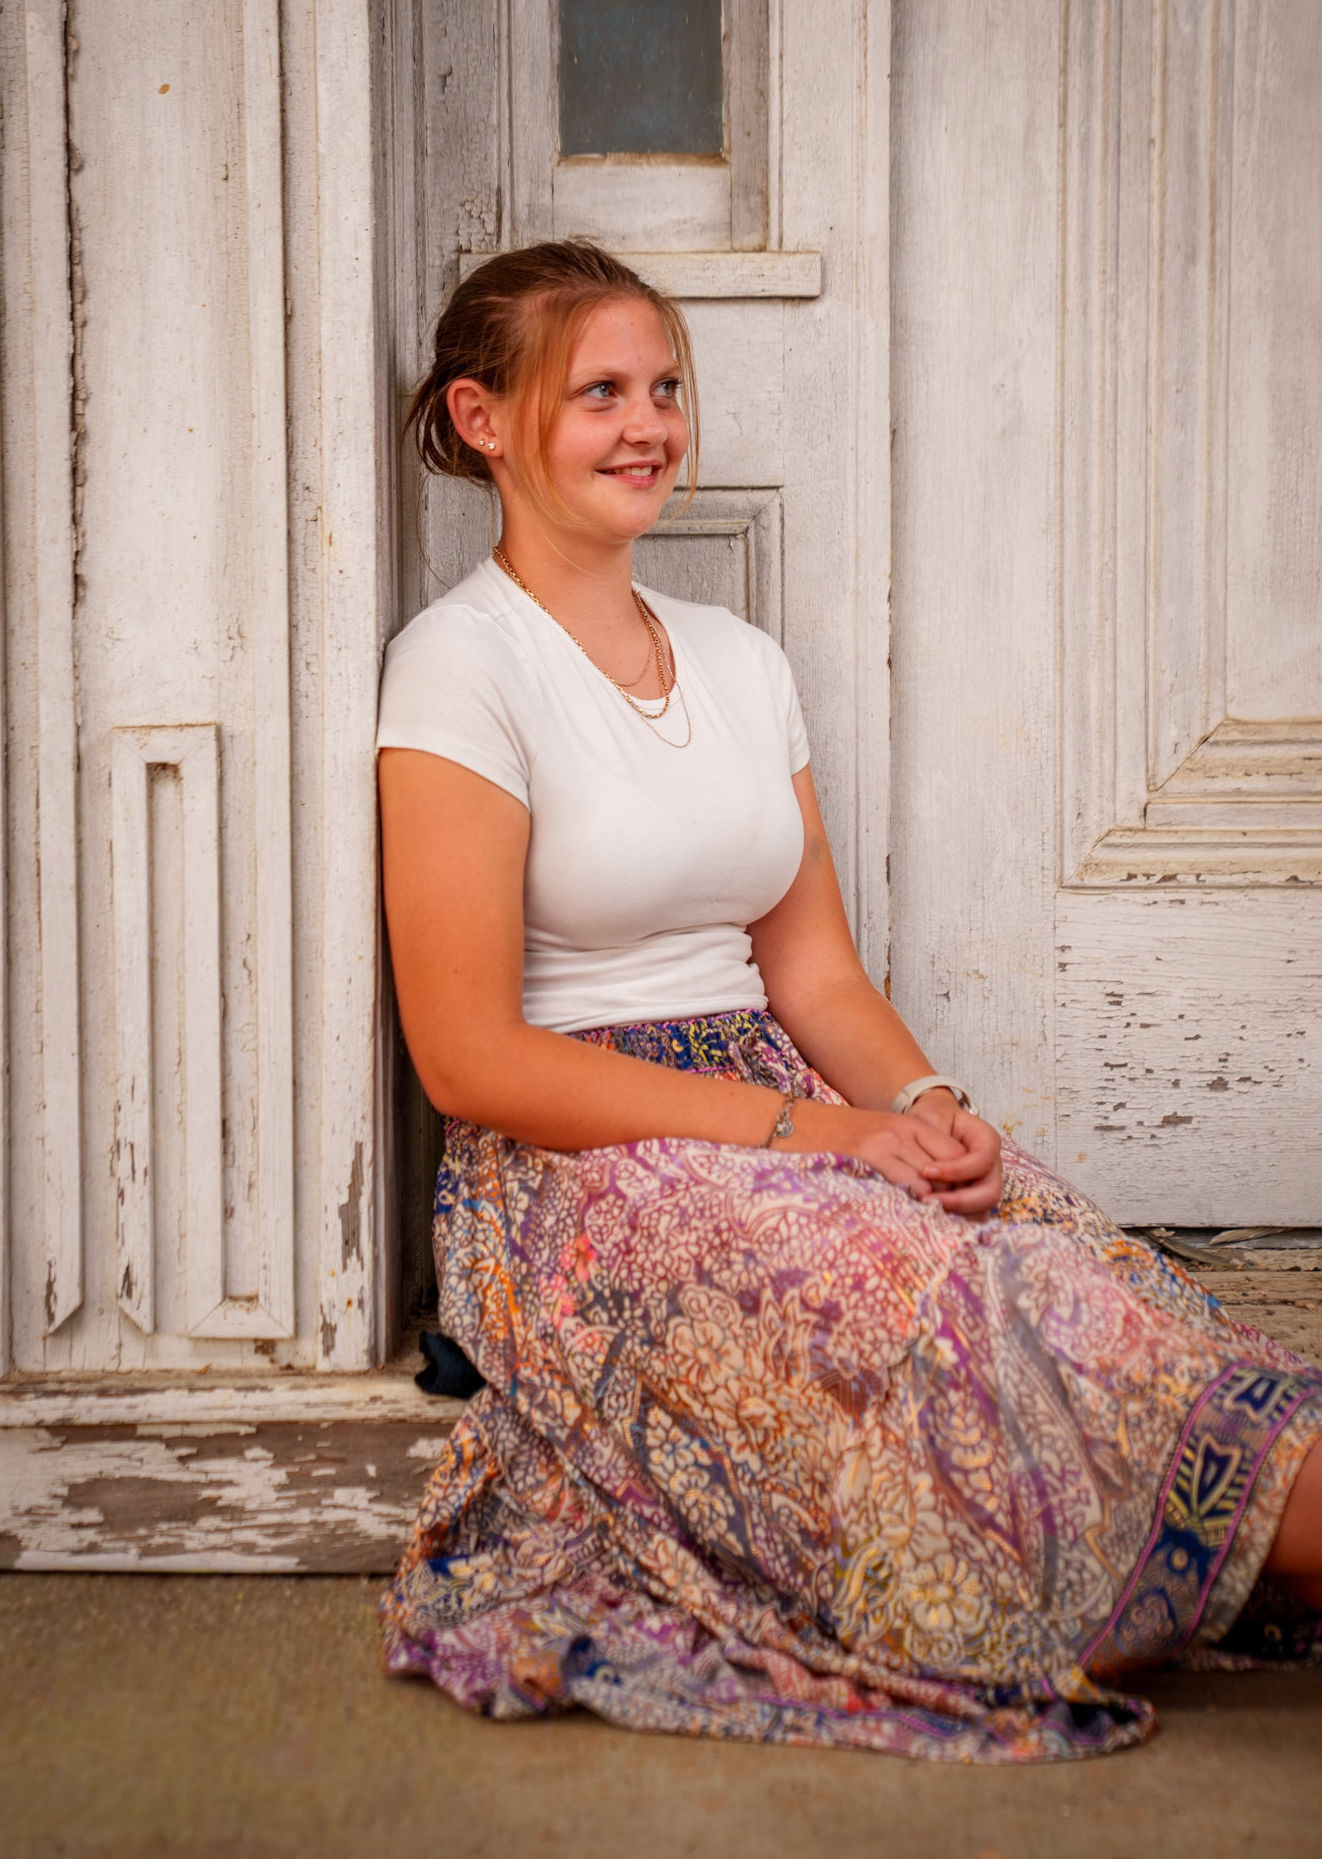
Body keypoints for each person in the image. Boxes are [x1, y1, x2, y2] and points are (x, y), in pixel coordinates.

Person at [376, 240, 1322, 1762]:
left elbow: (811, 971)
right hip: (581, 1163)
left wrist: (926, 1110)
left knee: (1068, 1263)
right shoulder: (458, 666)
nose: (649, 426)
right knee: (962, 1313)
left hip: (785, 1098)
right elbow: (471, 1058)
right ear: (483, 420)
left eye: (664, 388)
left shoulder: (740, 661)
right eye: (600, 393)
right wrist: (819, 1138)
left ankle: (1223, 1528)